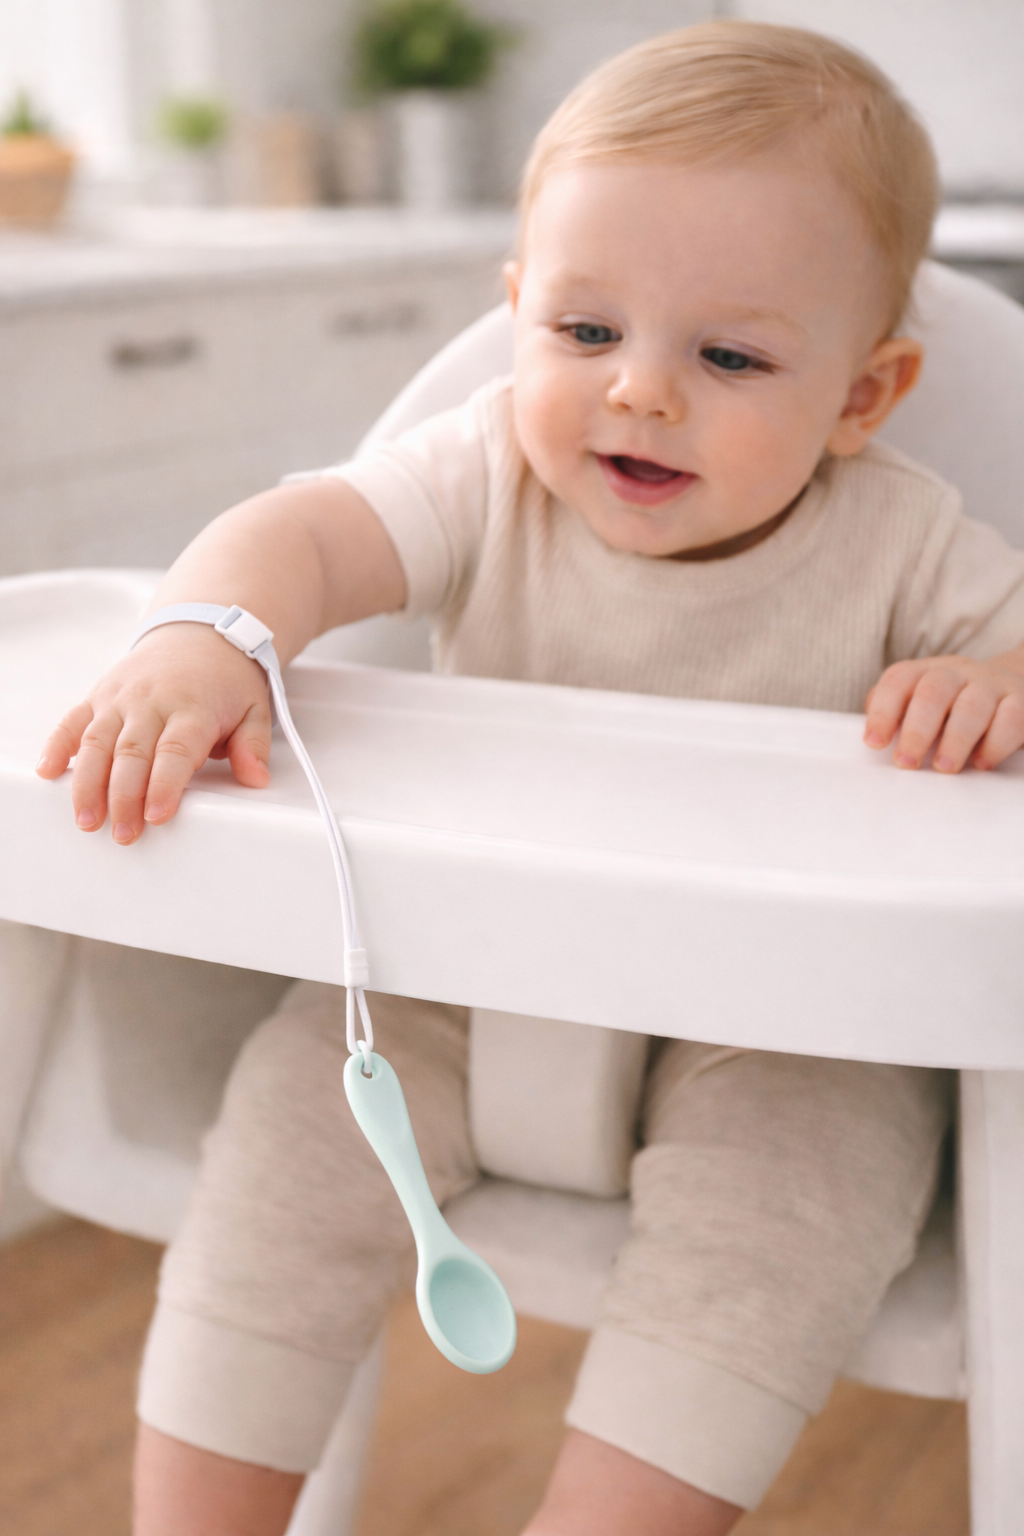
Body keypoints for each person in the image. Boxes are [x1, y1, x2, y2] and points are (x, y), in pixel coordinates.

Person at [37, 21, 1024, 1536]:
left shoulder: (908, 544)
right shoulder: (488, 469)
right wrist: (204, 638)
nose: (638, 392)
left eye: (731, 356)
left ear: (862, 396)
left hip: (773, 1028)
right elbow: (299, 532)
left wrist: (994, 686)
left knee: (792, 1218)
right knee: (291, 1149)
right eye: (584, 332)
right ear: (516, 316)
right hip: (448, 991)